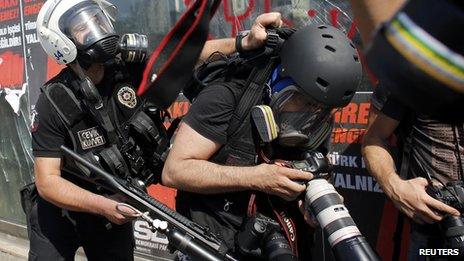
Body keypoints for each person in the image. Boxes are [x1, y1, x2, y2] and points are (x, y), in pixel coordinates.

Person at [28, 0, 281, 260]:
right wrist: (103, 205)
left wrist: (244, 43)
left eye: (98, 19)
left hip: (115, 202)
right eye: (83, 26)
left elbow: (185, 57)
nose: (97, 28)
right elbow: (48, 182)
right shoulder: (52, 101)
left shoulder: (126, 67)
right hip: (62, 212)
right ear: (61, 42)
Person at [162, 24, 362, 259]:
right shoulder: (225, 98)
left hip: (280, 245)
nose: (311, 115)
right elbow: (174, 171)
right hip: (215, 245)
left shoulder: (316, 117)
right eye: (303, 101)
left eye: (321, 109)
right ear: (279, 80)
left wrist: (311, 202)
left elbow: (312, 167)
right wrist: (257, 178)